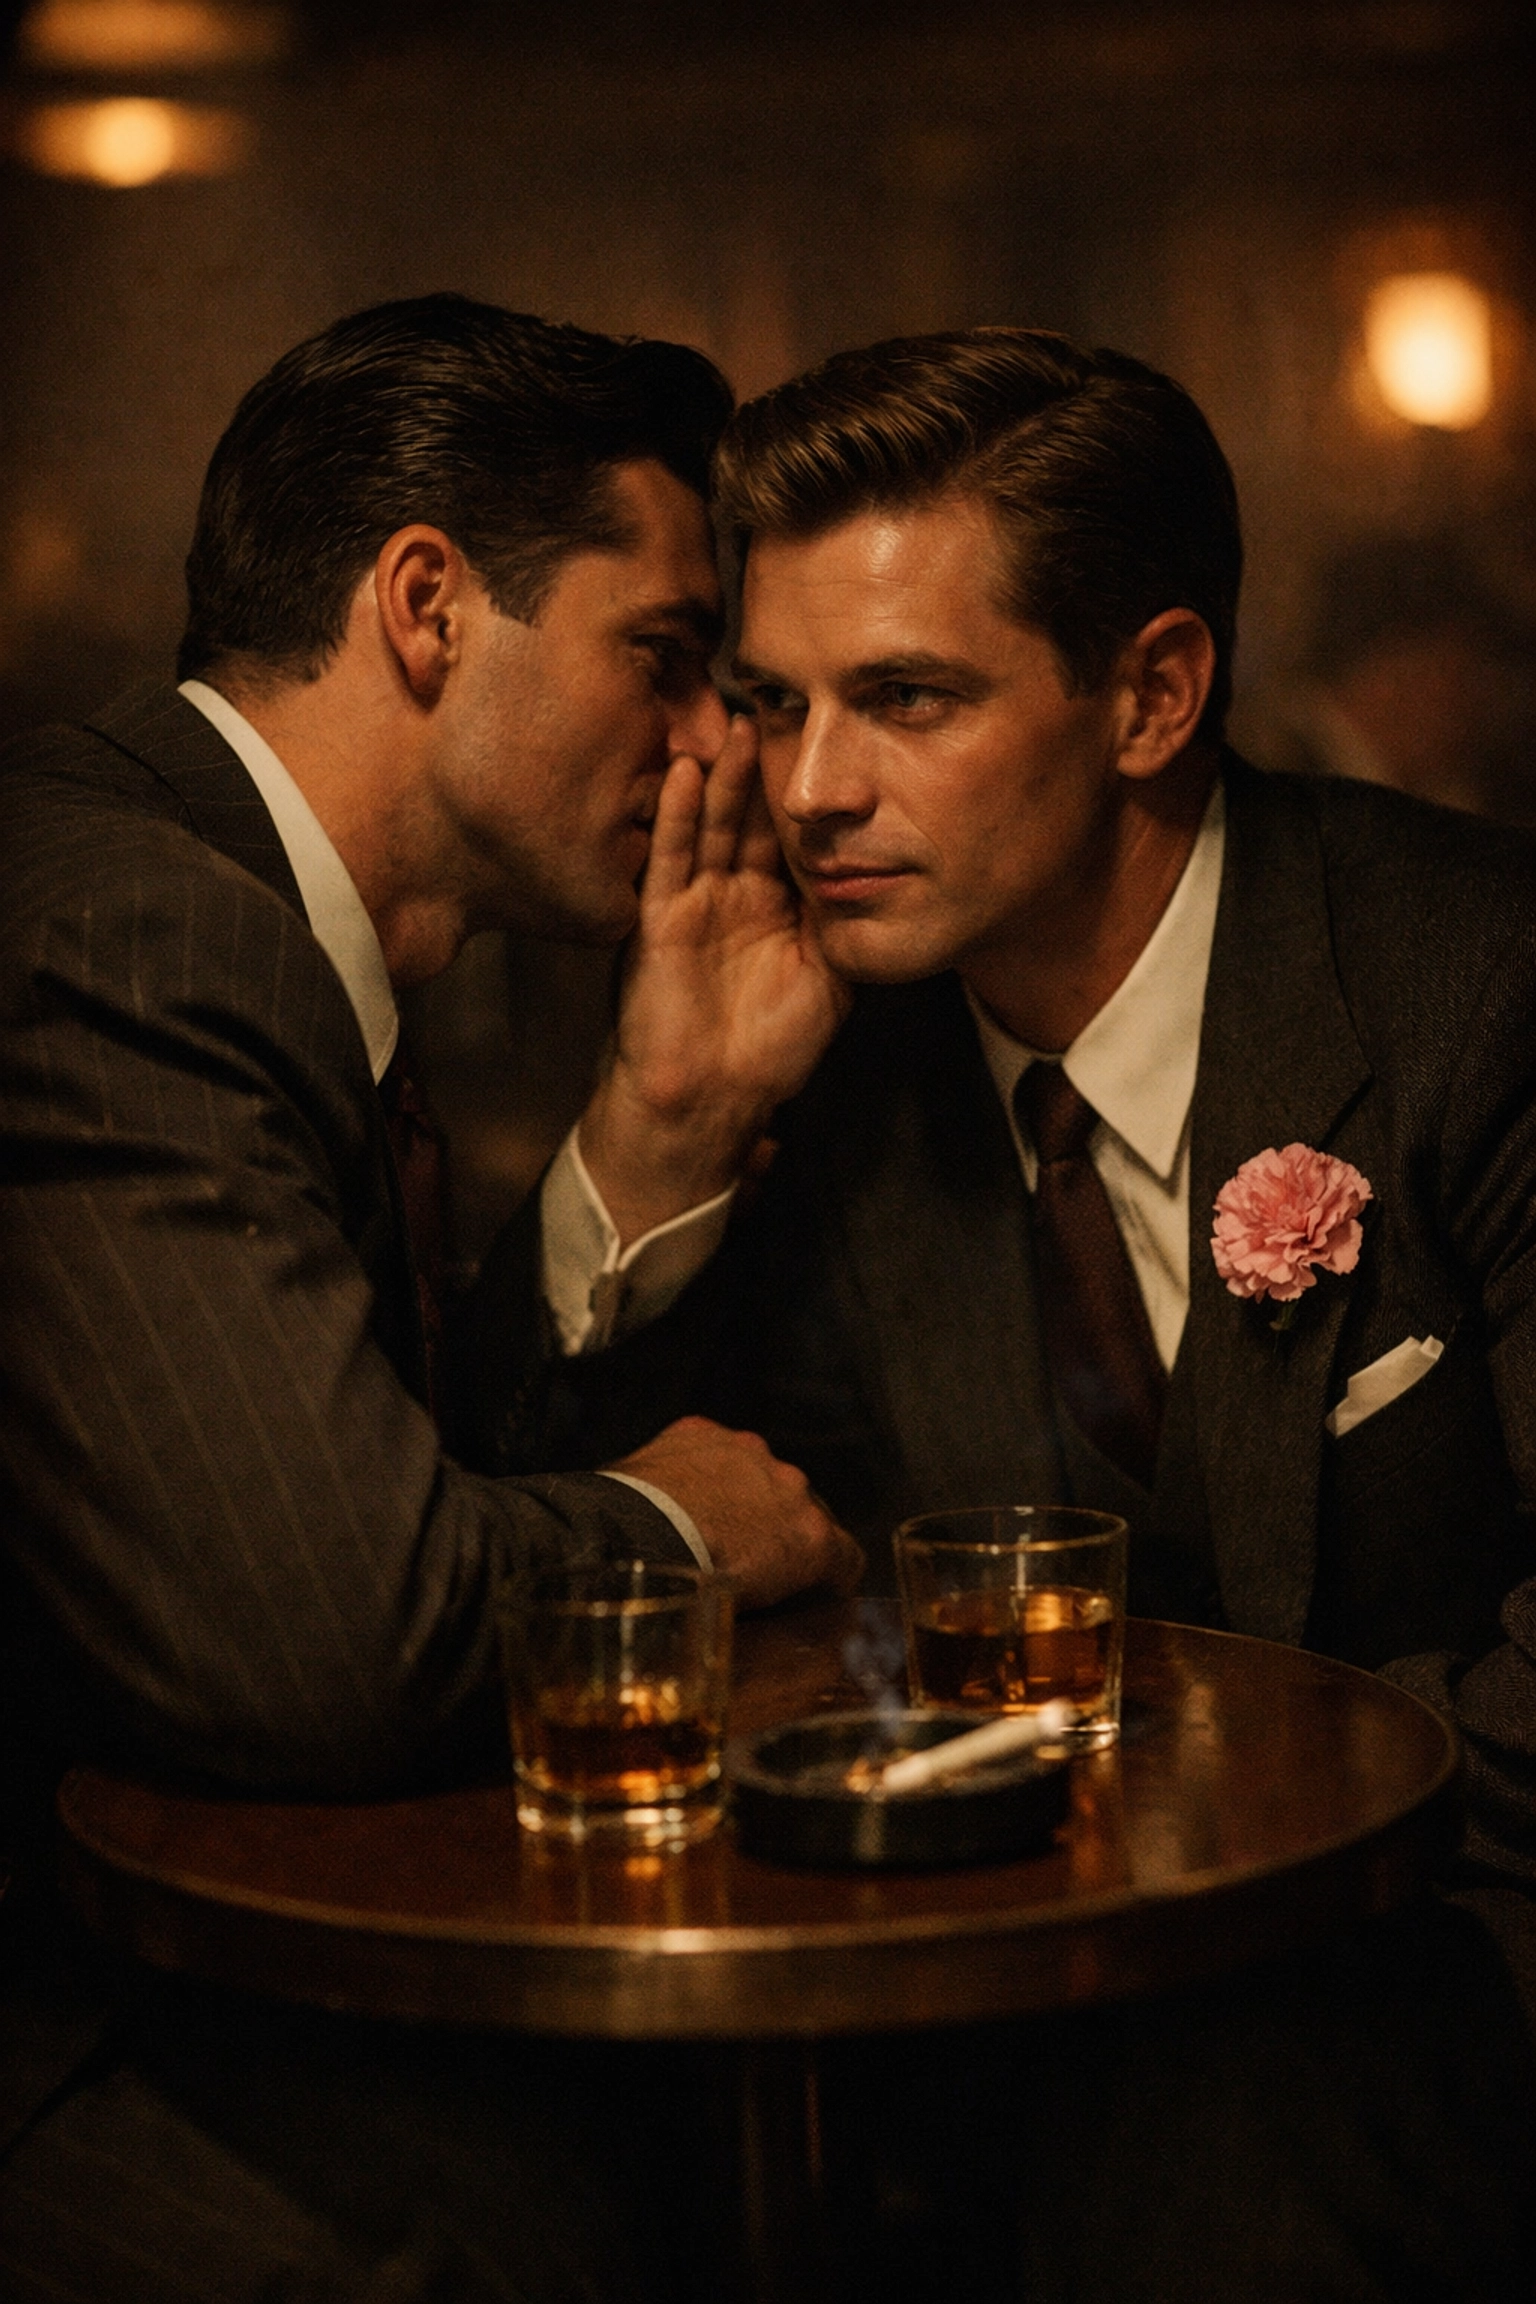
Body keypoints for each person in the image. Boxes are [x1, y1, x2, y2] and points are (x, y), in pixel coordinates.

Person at [458, 327, 1536, 2297]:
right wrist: (669, 1117)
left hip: (1443, 1948)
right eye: (774, 705)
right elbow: (546, 1573)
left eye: (909, 701)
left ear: (1152, 692)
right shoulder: (823, 1053)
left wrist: (1240, 1882)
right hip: (958, 1993)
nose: (809, 789)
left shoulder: (1474, 989)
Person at [0, 293, 859, 2304]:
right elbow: (327, 1630)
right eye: (665, 656)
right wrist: (676, 1532)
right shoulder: (141, 938)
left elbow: (353, 1479)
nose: (716, 746)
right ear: (425, 605)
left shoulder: (213, 902)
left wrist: (658, 1125)